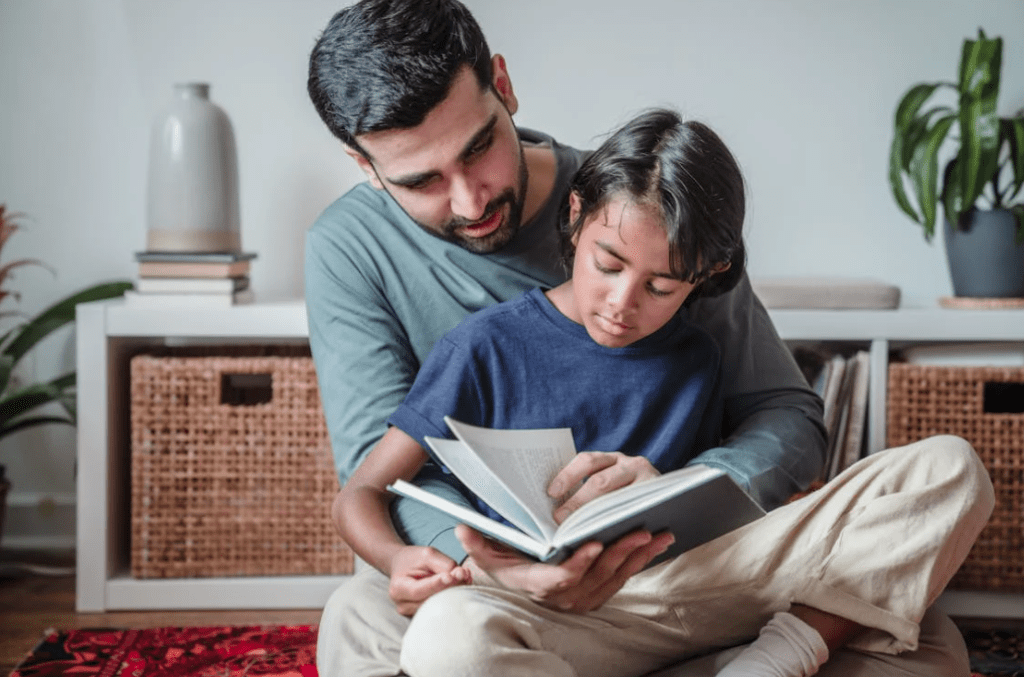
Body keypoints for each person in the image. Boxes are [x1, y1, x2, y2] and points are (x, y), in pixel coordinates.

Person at [303, 1, 991, 674]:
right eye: (420, 180)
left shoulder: (644, 202)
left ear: (503, 87)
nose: (469, 200)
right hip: (498, 590)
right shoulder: (350, 250)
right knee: (359, 621)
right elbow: (376, 477)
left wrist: (687, 484)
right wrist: (494, 562)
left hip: (693, 568)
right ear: (363, 166)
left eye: (479, 147)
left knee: (933, 628)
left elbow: (785, 414)